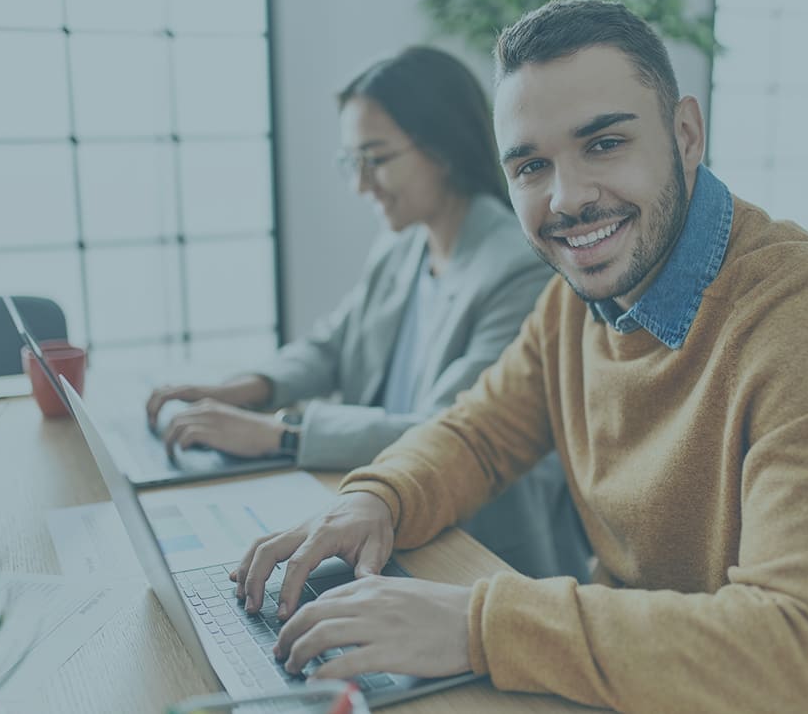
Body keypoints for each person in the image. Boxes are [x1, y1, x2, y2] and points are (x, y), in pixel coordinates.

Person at [230, 0, 808, 714]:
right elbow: (475, 434)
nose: (566, 199)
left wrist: (478, 624)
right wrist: (377, 497)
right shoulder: (577, 303)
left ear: (685, 133)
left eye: (604, 143)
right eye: (532, 165)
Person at [146, 45, 589, 581]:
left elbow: (445, 435)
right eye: (351, 162)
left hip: (474, 550)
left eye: (375, 160)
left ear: (442, 149)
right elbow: (333, 345)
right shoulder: (404, 245)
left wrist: (280, 434)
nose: (361, 184)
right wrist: (244, 389)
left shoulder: (517, 267)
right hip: (376, 511)